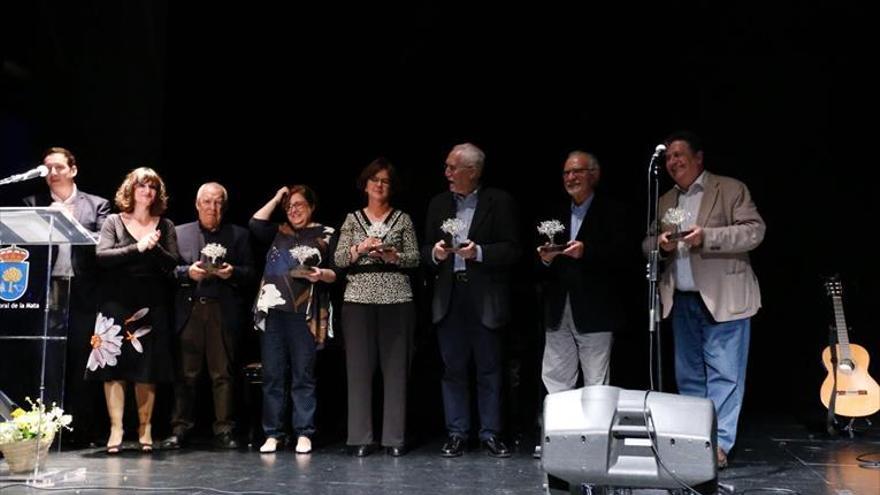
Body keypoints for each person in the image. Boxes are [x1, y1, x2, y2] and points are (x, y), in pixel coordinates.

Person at [648, 131, 765, 469]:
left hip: (724, 299)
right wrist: (660, 244)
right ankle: (694, 442)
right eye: (668, 156)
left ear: (699, 157)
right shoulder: (666, 200)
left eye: (679, 154)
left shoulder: (729, 189)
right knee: (689, 378)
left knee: (725, 375)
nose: (673, 161)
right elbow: (648, 243)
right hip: (681, 300)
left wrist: (707, 237)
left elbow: (754, 231)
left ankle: (719, 445)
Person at [422, 143, 521, 458]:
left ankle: (491, 433)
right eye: (447, 166)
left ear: (473, 171)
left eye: (453, 167)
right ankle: (457, 433)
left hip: (485, 297)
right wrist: (435, 254)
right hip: (449, 296)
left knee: (489, 368)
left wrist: (479, 252)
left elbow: (513, 249)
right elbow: (425, 250)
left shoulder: (500, 201)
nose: (447, 173)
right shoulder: (438, 203)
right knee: (453, 368)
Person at [22, 146, 110, 446]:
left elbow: (104, 245)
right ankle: (44, 430)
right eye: (47, 168)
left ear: (73, 170)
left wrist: (67, 223)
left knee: (79, 362)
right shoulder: (33, 203)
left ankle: (81, 430)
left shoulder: (97, 206)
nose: (52, 173)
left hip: (82, 292)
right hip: (47, 293)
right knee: (46, 362)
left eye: (58, 167)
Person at [89, 167, 179, 454]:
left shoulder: (165, 226)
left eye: (152, 187)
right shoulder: (114, 221)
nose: (147, 191)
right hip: (115, 301)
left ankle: (145, 427)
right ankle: (116, 428)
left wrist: (153, 248)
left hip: (150, 303)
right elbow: (102, 256)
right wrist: (137, 247)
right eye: (142, 186)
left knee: (146, 367)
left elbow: (172, 265)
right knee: (114, 367)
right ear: (131, 190)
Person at [333, 158, 419, 457]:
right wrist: (361, 248)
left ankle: (394, 438)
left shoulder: (403, 219)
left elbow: (415, 258)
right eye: (375, 180)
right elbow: (340, 259)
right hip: (358, 299)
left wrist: (395, 256)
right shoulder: (353, 219)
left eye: (385, 181)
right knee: (359, 369)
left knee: (396, 370)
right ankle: (360, 437)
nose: (380, 185)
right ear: (365, 184)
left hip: (397, 298)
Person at [160, 182, 255, 450]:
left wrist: (233, 272)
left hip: (221, 310)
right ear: (197, 204)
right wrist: (185, 273)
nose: (213, 207)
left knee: (222, 373)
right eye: (208, 202)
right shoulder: (179, 233)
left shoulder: (239, 235)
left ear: (223, 206)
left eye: (218, 203)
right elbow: (167, 271)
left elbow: (251, 274)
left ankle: (224, 429)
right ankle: (180, 429)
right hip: (190, 309)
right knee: (185, 374)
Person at [250, 184, 337, 455]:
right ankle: (273, 433)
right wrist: (277, 198)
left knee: (303, 375)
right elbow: (254, 223)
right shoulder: (279, 230)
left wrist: (320, 274)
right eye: (290, 207)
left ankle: (303, 432)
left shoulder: (326, 234)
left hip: (305, 313)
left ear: (311, 206)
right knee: (273, 375)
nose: (294, 210)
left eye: (299, 205)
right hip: (274, 311)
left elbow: (337, 273)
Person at [537, 151, 626, 393]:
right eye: (566, 172)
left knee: (596, 384)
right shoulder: (554, 211)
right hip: (557, 310)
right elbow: (534, 263)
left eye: (577, 171)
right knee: (555, 380)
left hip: (596, 310)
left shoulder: (613, 211)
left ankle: (595, 431)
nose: (571, 177)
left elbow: (623, 256)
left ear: (594, 175)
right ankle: (558, 431)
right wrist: (544, 260)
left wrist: (586, 252)